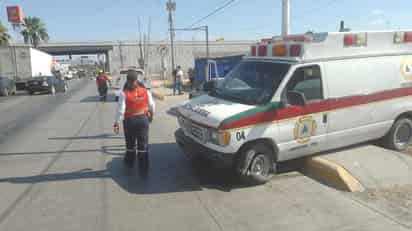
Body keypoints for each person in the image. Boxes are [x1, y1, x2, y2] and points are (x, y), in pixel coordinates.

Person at [113, 70, 155, 176]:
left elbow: (121, 110)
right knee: (143, 145)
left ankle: (129, 163)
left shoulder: (124, 93)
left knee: (130, 144)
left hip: (129, 121)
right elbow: (152, 105)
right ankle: (143, 169)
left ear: (127, 80)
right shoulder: (145, 91)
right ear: (137, 80)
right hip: (143, 119)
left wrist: (117, 122)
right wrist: (151, 115)